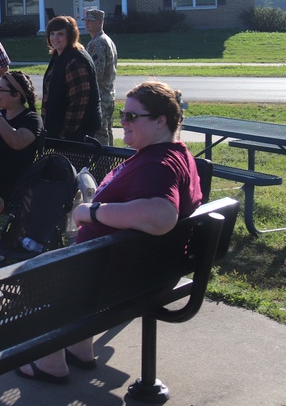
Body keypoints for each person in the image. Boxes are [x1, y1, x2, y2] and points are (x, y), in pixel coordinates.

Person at [17, 81, 203, 385]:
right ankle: (80, 348)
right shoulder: (175, 154)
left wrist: (90, 212)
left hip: (117, 280)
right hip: (145, 271)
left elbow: (162, 215)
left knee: (36, 274)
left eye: (132, 116)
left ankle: (51, 363)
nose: (123, 121)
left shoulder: (158, 165)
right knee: (67, 269)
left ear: (161, 121)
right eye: (122, 114)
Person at [0, 70, 46, 206]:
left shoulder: (32, 119)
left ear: (16, 95)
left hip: (13, 184)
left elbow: (16, 142)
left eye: (1, 90)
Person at [41, 15, 102, 142]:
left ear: (70, 36)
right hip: (58, 130)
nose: (55, 38)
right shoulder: (59, 56)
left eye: (60, 34)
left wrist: (66, 132)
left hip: (76, 133)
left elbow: (79, 101)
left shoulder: (75, 60)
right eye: (52, 34)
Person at [84, 9, 118, 146]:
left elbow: (95, 74)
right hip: (108, 95)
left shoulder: (98, 43)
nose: (87, 23)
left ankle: (103, 159)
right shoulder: (106, 40)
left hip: (100, 97)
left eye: (90, 21)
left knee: (100, 135)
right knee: (107, 132)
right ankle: (109, 158)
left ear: (100, 22)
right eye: (86, 21)